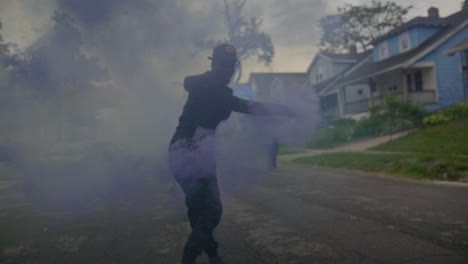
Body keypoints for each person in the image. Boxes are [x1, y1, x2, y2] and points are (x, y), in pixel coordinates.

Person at [168, 44, 293, 264]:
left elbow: (190, 81)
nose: (227, 71)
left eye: (230, 66)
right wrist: (283, 110)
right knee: (212, 209)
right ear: (214, 64)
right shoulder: (215, 90)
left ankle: (213, 255)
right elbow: (247, 106)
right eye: (223, 66)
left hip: (194, 152)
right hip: (187, 152)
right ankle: (189, 256)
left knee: (198, 210)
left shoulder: (206, 84)